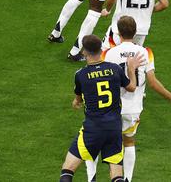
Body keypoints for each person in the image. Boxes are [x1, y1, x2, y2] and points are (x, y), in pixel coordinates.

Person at [86, 16, 171, 182]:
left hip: (110, 107)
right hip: (133, 108)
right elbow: (152, 82)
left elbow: (97, 78)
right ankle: (127, 179)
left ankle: (91, 179)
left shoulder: (108, 53)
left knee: (95, 141)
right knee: (129, 141)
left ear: (118, 32)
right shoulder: (145, 52)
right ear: (135, 32)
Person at [58, 35, 141, 182]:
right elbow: (132, 87)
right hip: (114, 128)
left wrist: (76, 102)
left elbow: (78, 98)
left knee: (67, 169)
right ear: (100, 50)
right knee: (116, 176)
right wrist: (131, 69)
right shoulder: (115, 69)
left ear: (84, 52)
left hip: (93, 129)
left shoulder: (81, 75)